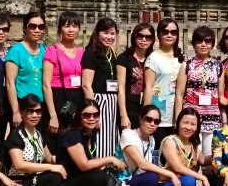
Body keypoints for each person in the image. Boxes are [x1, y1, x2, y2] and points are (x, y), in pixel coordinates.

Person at [56, 99, 123, 186]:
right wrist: (110, 159)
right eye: (87, 115)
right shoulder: (72, 135)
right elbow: (84, 165)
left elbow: (92, 159)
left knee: (108, 177)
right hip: (65, 184)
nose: (92, 118)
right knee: (97, 176)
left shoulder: (88, 134)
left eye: (95, 115)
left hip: (79, 182)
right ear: (79, 116)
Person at [3, 95, 67, 186]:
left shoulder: (38, 134)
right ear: (21, 112)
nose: (34, 115)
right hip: (17, 182)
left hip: (33, 179)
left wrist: (69, 157)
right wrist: (52, 167)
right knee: (53, 176)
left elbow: (50, 158)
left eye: (38, 111)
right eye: (29, 111)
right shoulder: (16, 135)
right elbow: (19, 165)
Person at [116, 105, 181, 186]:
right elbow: (142, 164)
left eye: (156, 121)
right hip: (124, 183)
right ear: (140, 119)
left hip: (138, 183)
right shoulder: (128, 134)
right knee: (152, 177)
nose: (152, 124)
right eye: (148, 119)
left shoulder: (151, 140)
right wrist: (171, 174)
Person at [155, 107, 214, 186]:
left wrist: (218, 154)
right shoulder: (169, 141)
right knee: (188, 180)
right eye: (185, 122)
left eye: (193, 124)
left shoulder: (193, 143)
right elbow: (178, 168)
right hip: (167, 185)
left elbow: (202, 160)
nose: (188, 127)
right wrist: (202, 177)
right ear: (178, 123)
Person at [80, 17, 122, 157]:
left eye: (112, 33)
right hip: (98, 101)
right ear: (97, 33)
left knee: (110, 138)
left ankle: (109, 169)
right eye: (105, 33)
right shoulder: (91, 53)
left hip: (111, 102)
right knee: (99, 138)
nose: (109, 37)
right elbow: (86, 85)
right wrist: (94, 112)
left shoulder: (112, 54)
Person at [6, 11, 51, 132]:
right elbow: (10, 83)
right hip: (23, 104)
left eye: (41, 27)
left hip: (40, 104)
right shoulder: (16, 51)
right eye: (32, 26)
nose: (37, 30)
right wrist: (15, 111)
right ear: (25, 28)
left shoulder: (45, 50)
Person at [183, 25, 222, 155]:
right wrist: (179, 117)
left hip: (212, 116)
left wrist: (224, 115)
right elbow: (179, 94)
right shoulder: (187, 64)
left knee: (210, 154)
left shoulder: (218, 66)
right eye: (200, 41)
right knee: (193, 153)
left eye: (208, 41)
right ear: (194, 44)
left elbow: (220, 94)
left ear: (212, 44)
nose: (204, 44)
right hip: (192, 116)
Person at [44, 10, 85, 130]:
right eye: (66, 26)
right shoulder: (52, 51)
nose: (71, 30)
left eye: (74, 26)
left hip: (78, 98)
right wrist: (53, 115)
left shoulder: (82, 53)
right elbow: (46, 85)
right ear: (60, 28)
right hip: (59, 97)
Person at [144, 17, 183, 142]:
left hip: (176, 112)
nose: (169, 35)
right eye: (165, 32)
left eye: (173, 32)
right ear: (159, 34)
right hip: (158, 115)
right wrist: (147, 114)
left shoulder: (181, 58)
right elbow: (148, 87)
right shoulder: (153, 58)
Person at [115, 22, 154, 130]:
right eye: (140, 36)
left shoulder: (153, 59)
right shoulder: (124, 58)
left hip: (147, 110)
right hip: (129, 108)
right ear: (134, 37)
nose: (144, 39)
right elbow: (121, 88)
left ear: (152, 39)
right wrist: (124, 116)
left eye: (148, 37)